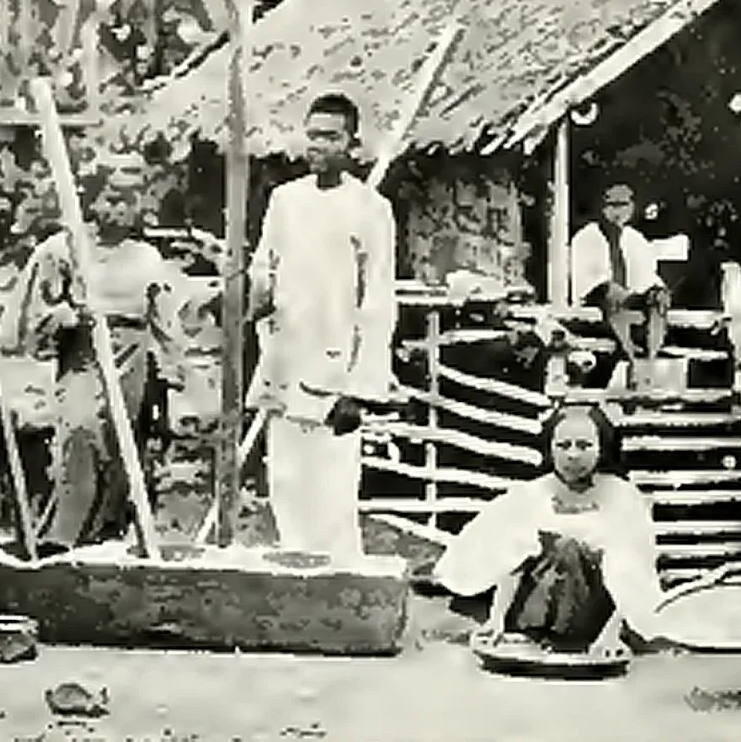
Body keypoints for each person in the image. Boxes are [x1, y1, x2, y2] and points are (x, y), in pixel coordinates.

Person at [0, 165, 190, 552]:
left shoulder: (147, 258)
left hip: (132, 358)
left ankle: (105, 539)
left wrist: (174, 376)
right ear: (93, 200)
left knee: (123, 448)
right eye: (113, 198)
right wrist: (69, 316)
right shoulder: (61, 250)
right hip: (85, 355)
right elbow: (31, 315)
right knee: (81, 433)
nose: (120, 209)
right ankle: (61, 539)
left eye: (131, 200)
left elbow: (166, 323)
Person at [247, 92, 398, 560]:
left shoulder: (370, 208)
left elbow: (377, 300)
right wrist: (246, 298)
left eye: (331, 137)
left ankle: (338, 583)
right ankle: (295, 576)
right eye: (313, 135)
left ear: (353, 143)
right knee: (287, 481)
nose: (318, 146)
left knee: (332, 487)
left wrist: (360, 386)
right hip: (285, 357)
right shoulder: (285, 200)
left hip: (335, 368)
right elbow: (262, 271)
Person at [434, 401, 663, 656]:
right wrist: (496, 618)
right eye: (563, 446)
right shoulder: (532, 494)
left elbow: (631, 576)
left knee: (572, 548)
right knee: (559, 547)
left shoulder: (622, 496)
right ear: (550, 449)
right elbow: (511, 558)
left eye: (584, 446)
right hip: (537, 611)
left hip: (594, 616)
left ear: (602, 448)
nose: (573, 455)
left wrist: (611, 635)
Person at [567, 182, 671, 372]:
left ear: (631, 208)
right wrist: (619, 292)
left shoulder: (635, 239)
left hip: (628, 300)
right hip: (597, 302)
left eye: (623, 205)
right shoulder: (586, 238)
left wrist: (653, 292)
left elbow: (646, 276)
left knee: (660, 296)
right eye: (612, 205)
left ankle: (651, 360)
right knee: (612, 292)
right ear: (602, 208)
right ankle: (631, 359)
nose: (617, 211)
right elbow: (587, 281)